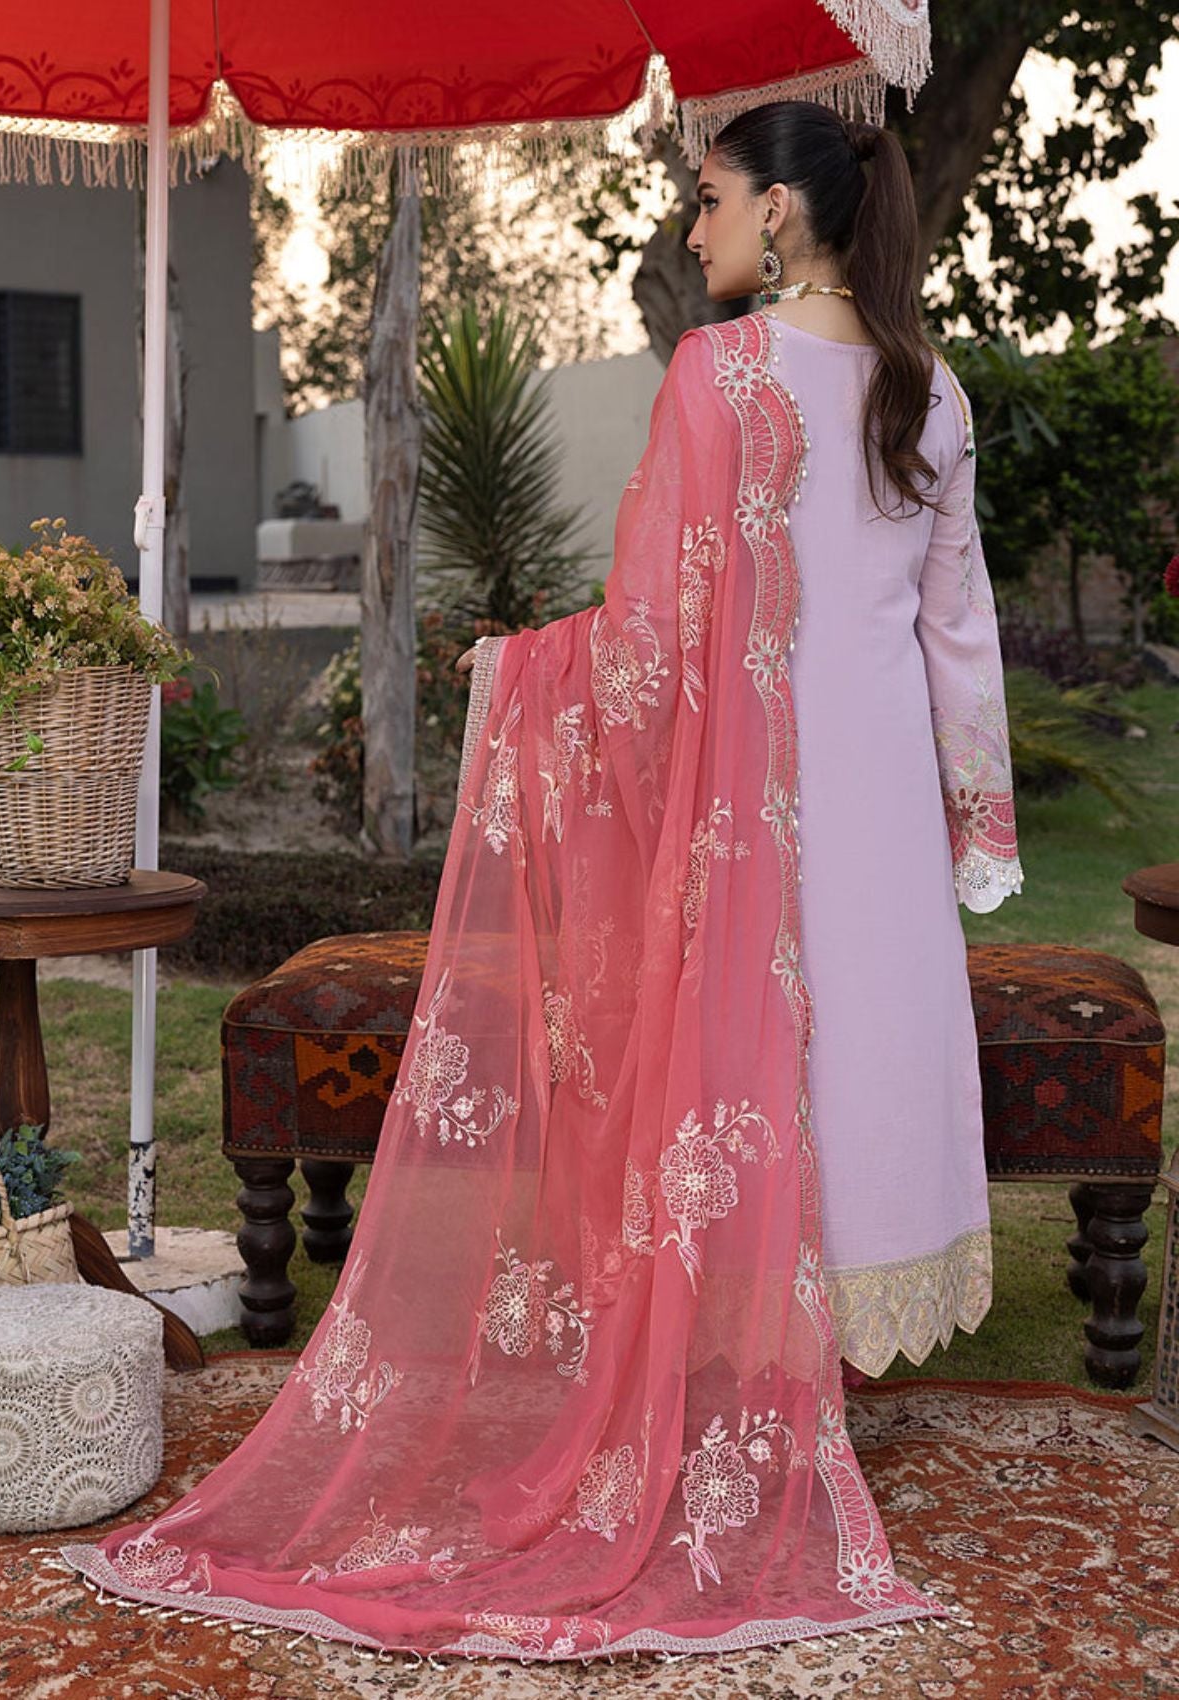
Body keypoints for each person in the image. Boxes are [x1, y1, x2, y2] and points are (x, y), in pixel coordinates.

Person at [53, 100, 1019, 1663]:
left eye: (709, 198)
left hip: (760, 825)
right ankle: (794, 1413)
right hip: (887, 820)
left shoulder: (727, 375)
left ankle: (750, 1430)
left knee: (759, 1072)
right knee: (858, 1077)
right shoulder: (933, 388)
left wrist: (521, 672)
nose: (693, 228)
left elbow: (652, 638)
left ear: (781, 211)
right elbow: (957, 632)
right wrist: (977, 832)